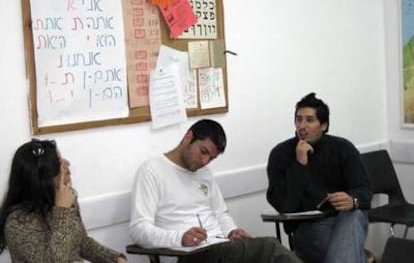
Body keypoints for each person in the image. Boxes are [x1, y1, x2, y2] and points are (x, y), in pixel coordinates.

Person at [129, 119, 302, 263]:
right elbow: (138, 229)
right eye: (203, 152)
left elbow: (220, 213)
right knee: (268, 248)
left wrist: (231, 231)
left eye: (211, 158)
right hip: (188, 254)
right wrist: (179, 237)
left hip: (219, 247)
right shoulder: (152, 170)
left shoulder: (203, 173)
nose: (204, 161)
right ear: (188, 137)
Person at [266, 93, 373, 263]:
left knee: (354, 215)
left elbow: (365, 190)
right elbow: (285, 205)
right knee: (351, 253)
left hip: (344, 219)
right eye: (299, 119)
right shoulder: (281, 154)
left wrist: (353, 200)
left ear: (323, 125)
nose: (302, 126)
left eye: (309, 120)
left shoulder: (343, 148)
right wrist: (300, 163)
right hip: (309, 227)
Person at [0, 139, 128, 263]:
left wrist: (114, 259)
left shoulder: (61, 199)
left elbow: (81, 242)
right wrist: (62, 212)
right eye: (58, 162)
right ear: (41, 179)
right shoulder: (17, 223)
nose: (67, 164)